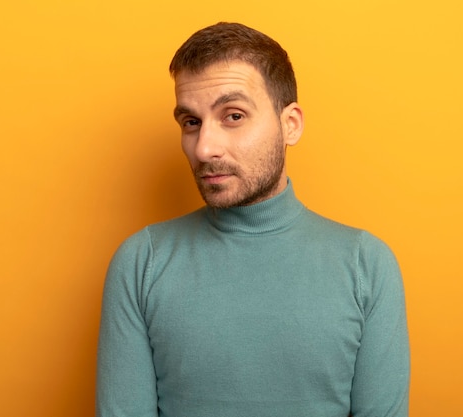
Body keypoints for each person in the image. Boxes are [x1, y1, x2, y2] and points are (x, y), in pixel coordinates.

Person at [96, 22, 410, 417]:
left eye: (233, 116)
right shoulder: (142, 261)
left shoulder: (367, 265)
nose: (205, 148)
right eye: (191, 122)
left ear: (289, 124)